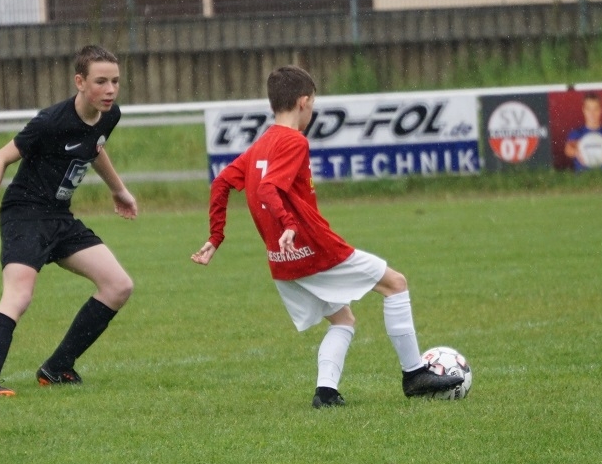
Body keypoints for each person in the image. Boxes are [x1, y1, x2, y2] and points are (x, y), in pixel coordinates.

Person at [191, 65, 463, 408]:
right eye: (313, 104)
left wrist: (216, 236)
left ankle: (326, 393)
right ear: (303, 102)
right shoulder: (294, 140)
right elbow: (271, 187)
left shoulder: (260, 146)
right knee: (395, 284)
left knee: (343, 320)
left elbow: (221, 183)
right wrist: (289, 223)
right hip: (314, 249)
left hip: (282, 260)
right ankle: (414, 375)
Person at [0, 45, 137, 397]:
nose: (110, 90)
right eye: (101, 82)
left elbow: (96, 147)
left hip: (59, 216)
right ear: (80, 82)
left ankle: (57, 368)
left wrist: (118, 190)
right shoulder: (51, 121)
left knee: (118, 286)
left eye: (115, 81)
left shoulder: (109, 115)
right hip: (25, 215)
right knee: (19, 295)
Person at [564, 91, 602, 170]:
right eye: (589, 109)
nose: (592, 113)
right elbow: (568, 150)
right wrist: (576, 151)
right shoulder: (577, 133)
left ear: (600, 110)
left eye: (595, 109)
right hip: (583, 175)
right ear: (584, 110)